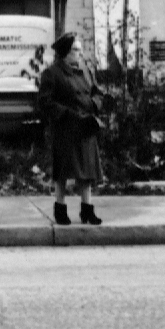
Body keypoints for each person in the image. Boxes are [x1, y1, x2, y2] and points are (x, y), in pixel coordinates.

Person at [37, 31, 103, 225]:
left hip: (86, 127)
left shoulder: (86, 70)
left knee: (88, 172)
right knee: (62, 172)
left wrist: (95, 104)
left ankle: (87, 210)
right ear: (65, 52)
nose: (80, 54)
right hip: (65, 129)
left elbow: (97, 92)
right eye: (75, 50)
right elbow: (44, 102)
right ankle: (60, 209)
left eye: (81, 50)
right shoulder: (52, 74)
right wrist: (65, 113)